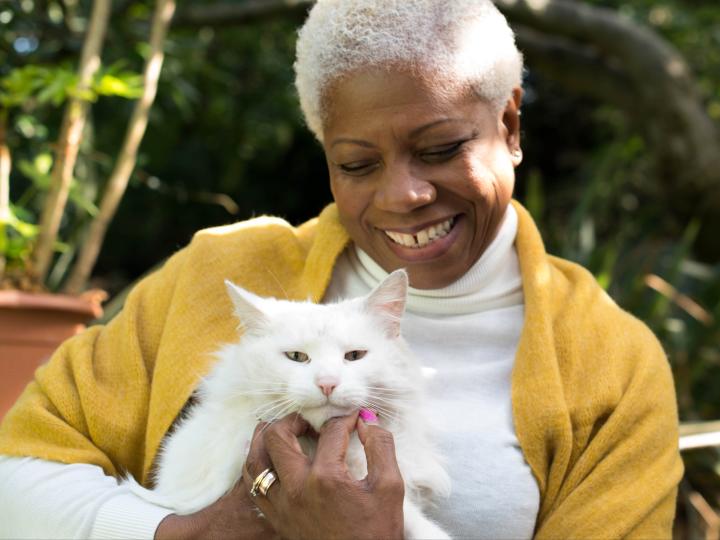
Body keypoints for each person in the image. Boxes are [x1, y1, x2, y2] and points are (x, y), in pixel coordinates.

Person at [0, 0, 683, 538]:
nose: (403, 195)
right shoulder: (218, 274)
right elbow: (15, 477)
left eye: (441, 147)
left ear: (509, 125)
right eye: (357, 163)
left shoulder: (614, 364)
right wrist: (183, 533)